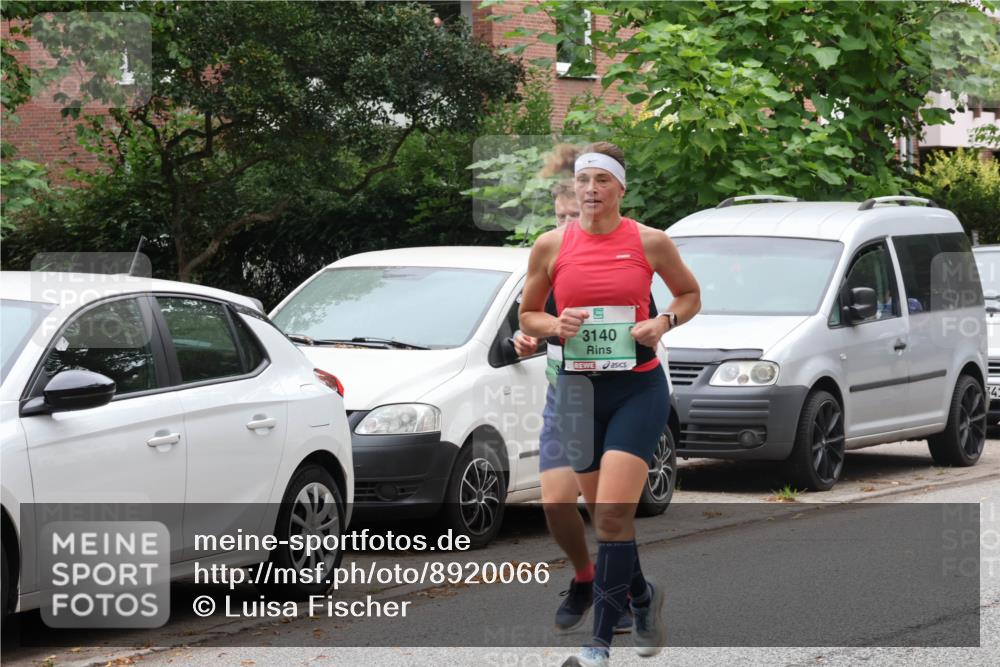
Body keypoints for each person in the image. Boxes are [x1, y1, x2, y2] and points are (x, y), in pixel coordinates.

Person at [519, 142, 700, 667]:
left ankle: (597, 646)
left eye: (603, 181)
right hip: (575, 392)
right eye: (584, 181)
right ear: (574, 187)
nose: (592, 190)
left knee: (614, 519)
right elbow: (528, 314)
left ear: (621, 188)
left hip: (636, 391)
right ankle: (642, 598)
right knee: (589, 512)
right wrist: (554, 326)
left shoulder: (651, 241)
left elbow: (689, 295)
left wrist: (661, 322)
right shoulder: (550, 246)